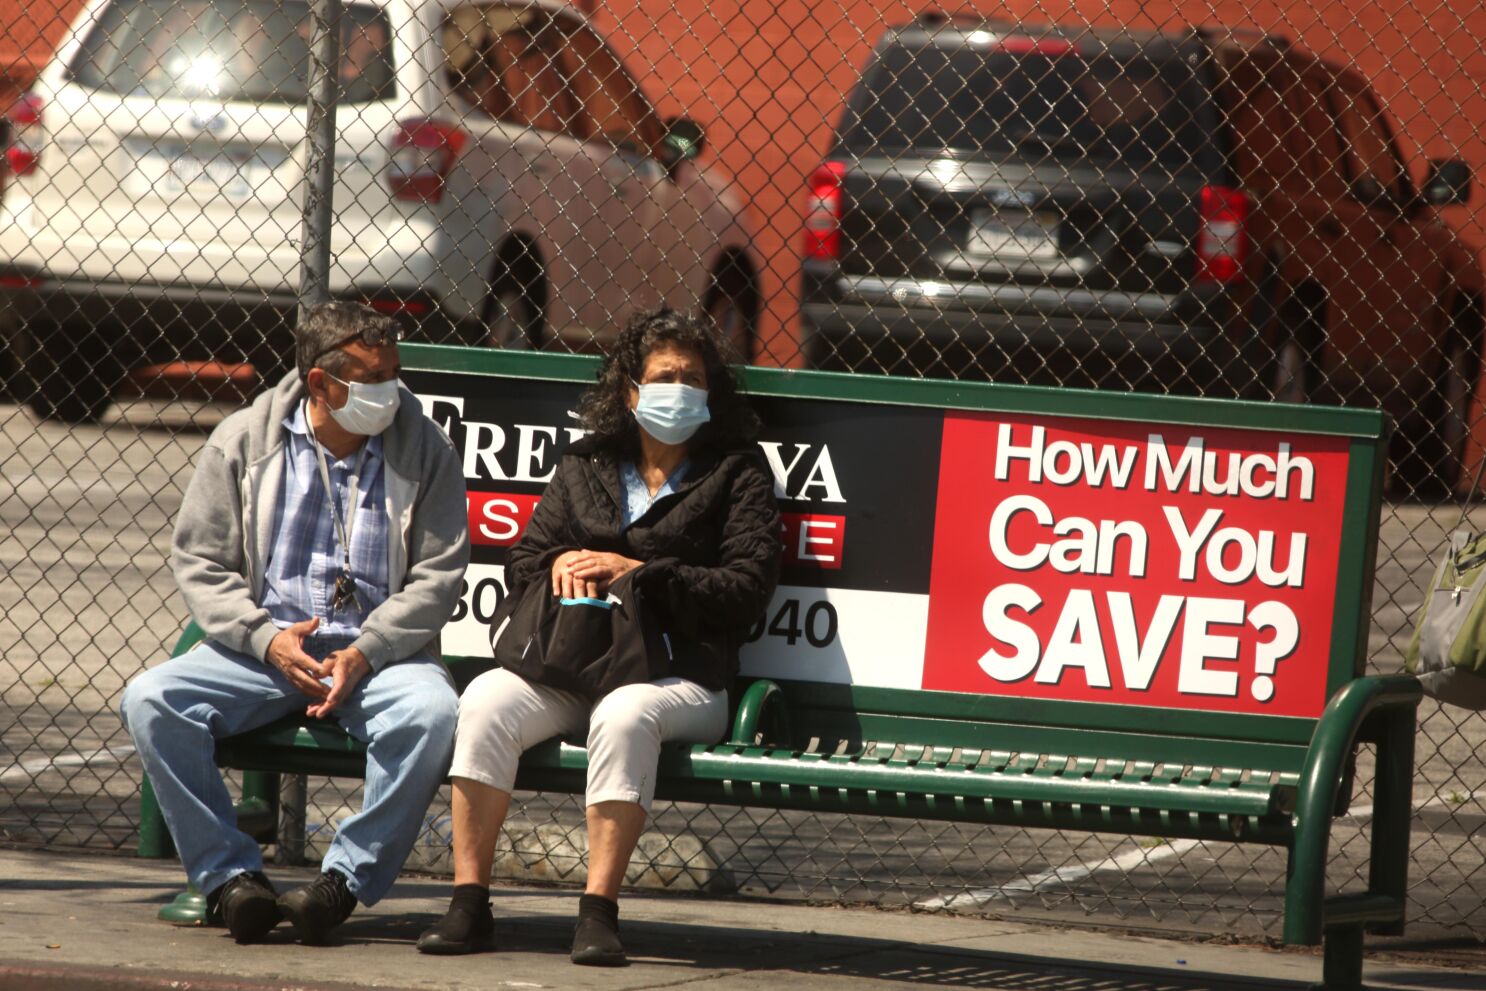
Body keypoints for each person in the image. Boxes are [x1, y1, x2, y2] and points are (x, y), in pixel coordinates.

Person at [416, 308, 781, 965]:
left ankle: (597, 912)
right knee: (487, 702)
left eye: (693, 376)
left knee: (623, 714)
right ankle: (469, 901)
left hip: (682, 675)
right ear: (630, 390)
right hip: (572, 664)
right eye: (664, 375)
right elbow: (523, 561)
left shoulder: (737, 471)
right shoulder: (585, 462)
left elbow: (747, 589)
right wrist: (556, 563)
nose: (680, 387)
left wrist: (643, 574)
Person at [121, 302, 469, 946]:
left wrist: (367, 651)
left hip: (377, 658)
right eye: (372, 378)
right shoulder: (243, 440)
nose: (391, 391)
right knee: (151, 700)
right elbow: (200, 561)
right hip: (266, 652)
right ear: (320, 384)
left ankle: (340, 883)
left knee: (433, 714)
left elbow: (440, 576)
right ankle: (229, 881)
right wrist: (267, 639)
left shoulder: (426, 448)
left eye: (395, 372)